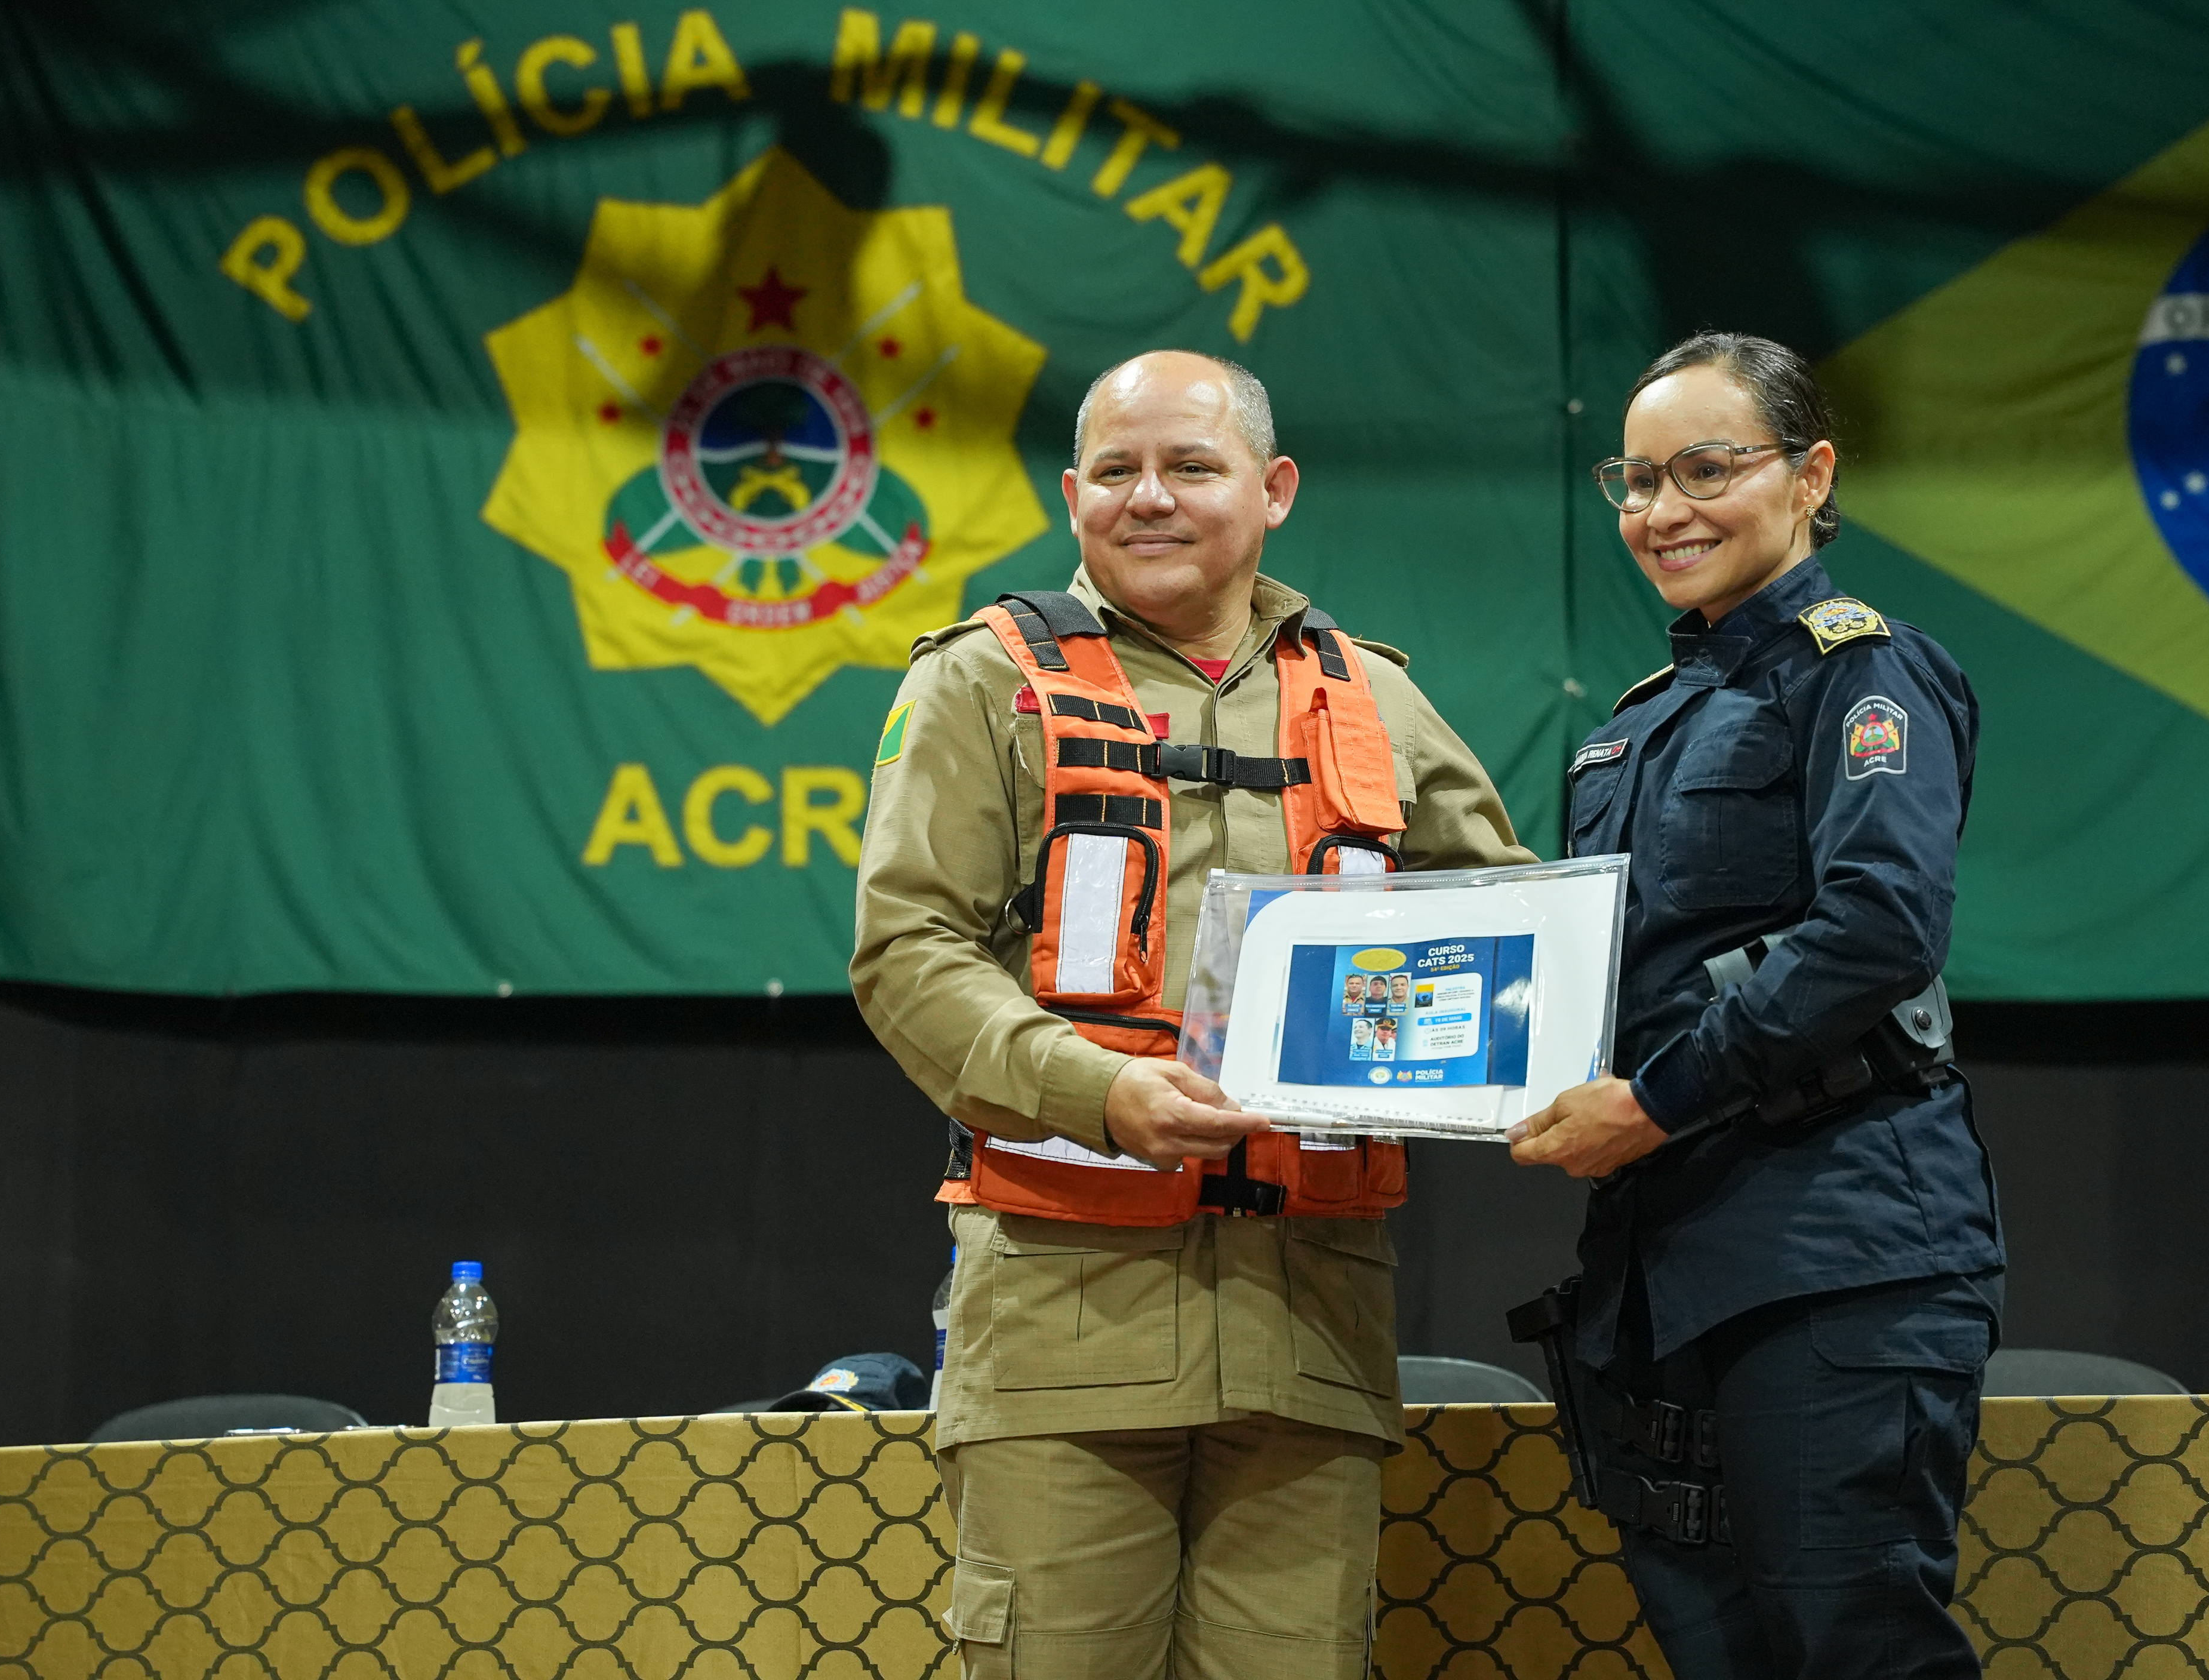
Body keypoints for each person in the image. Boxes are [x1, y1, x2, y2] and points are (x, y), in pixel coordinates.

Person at [853, 349, 1532, 1680]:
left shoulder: (1373, 696)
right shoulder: (978, 685)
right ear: (1071, 495)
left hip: (1311, 1333)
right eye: (1116, 471)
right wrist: (1094, 1093)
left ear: (1272, 489)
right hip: (1062, 1329)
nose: (1148, 498)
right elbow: (907, 956)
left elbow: (1504, 938)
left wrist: (1520, 1046)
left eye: (1191, 467)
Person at [1508, 332, 2004, 1680]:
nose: (1661, 512)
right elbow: (1597, 982)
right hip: (1659, 1275)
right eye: (1636, 479)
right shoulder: (1629, 727)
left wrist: (1655, 1099)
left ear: (1810, 474)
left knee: (1856, 1650)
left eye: (1707, 469)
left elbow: (1875, 930)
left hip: (1836, 1252)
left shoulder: (1865, 669)